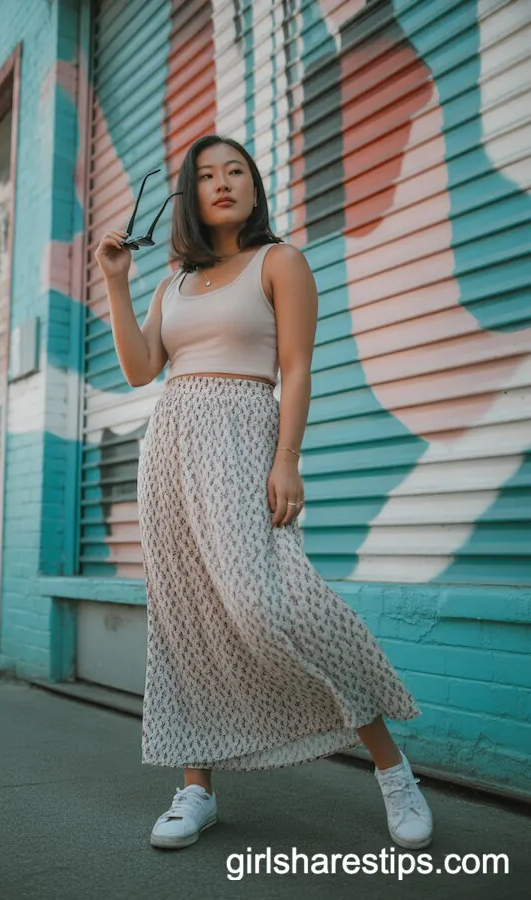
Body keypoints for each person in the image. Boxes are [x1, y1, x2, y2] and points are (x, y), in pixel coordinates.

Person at [95, 135, 433, 853]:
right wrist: (119, 283)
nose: (223, 183)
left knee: (274, 602)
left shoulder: (280, 261)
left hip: (247, 438)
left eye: (236, 172)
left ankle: (392, 768)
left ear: (254, 186)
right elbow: (138, 367)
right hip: (173, 448)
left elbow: (297, 368)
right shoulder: (174, 282)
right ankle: (196, 788)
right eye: (208, 175)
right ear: (190, 194)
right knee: (184, 618)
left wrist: (288, 459)